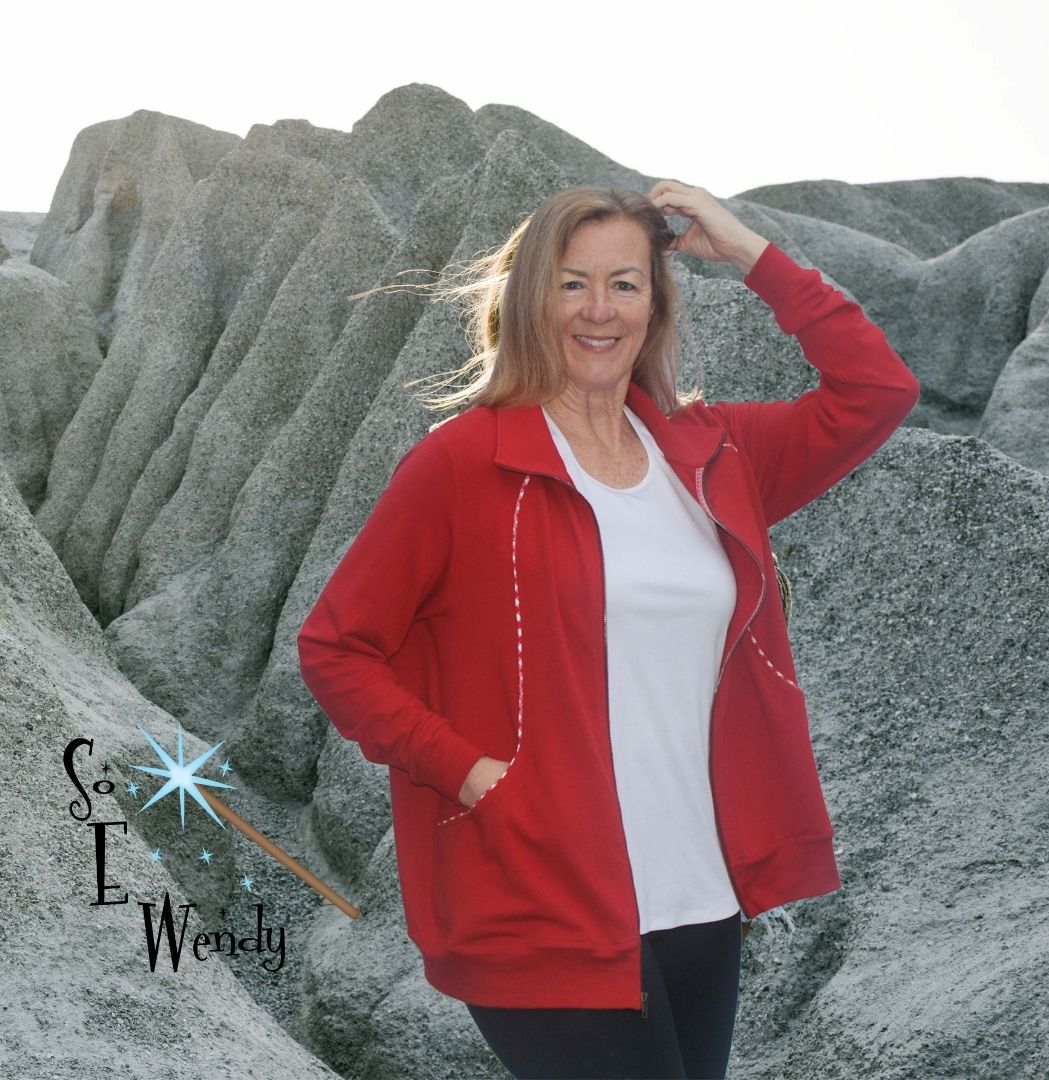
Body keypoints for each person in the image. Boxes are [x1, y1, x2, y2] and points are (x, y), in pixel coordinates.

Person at [296, 180, 921, 1079]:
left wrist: (749, 253)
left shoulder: (713, 455)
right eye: (572, 283)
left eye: (626, 284)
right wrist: (469, 774)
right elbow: (336, 647)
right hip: (540, 895)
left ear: (655, 306)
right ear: (529, 299)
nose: (599, 309)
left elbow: (879, 389)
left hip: (699, 893)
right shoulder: (462, 464)